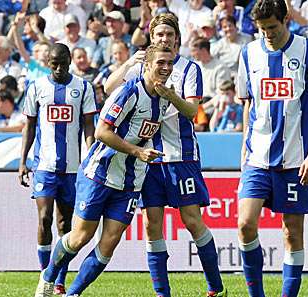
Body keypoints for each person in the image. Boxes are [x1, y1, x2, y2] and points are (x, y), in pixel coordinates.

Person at [33, 44, 174, 297]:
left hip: (131, 181)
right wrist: (137, 151)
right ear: (147, 65)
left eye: (169, 63)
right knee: (79, 238)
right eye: (160, 63)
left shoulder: (166, 97)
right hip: (99, 173)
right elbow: (101, 132)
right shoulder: (128, 92)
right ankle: (48, 276)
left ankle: (73, 293)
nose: (165, 68)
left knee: (110, 242)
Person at [104, 13, 227, 297]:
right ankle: (162, 293)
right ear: (151, 37)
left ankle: (215, 288)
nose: (164, 39)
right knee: (152, 224)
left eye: (169, 35)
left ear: (177, 38)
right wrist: (128, 63)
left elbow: (192, 112)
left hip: (181, 156)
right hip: (148, 158)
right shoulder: (142, 68)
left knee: (192, 220)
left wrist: (169, 94)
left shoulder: (188, 69)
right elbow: (109, 88)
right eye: (159, 34)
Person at [236, 0, 308, 296]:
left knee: (292, 232)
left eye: (272, 28)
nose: (268, 35)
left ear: (286, 19)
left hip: (295, 159)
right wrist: (243, 155)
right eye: (262, 30)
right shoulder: (248, 53)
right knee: (245, 225)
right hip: (257, 157)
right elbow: (248, 107)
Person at [19, 43, 97, 296]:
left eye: (64, 63)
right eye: (55, 63)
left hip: (73, 168)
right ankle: (45, 278)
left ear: (70, 60)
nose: (60, 68)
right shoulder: (37, 87)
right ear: (48, 62)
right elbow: (29, 126)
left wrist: (90, 153)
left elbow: (88, 125)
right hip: (44, 166)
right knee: (44, 218)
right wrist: (23, 162)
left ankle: (58, 281)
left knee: (65, 226)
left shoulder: (83, 87)